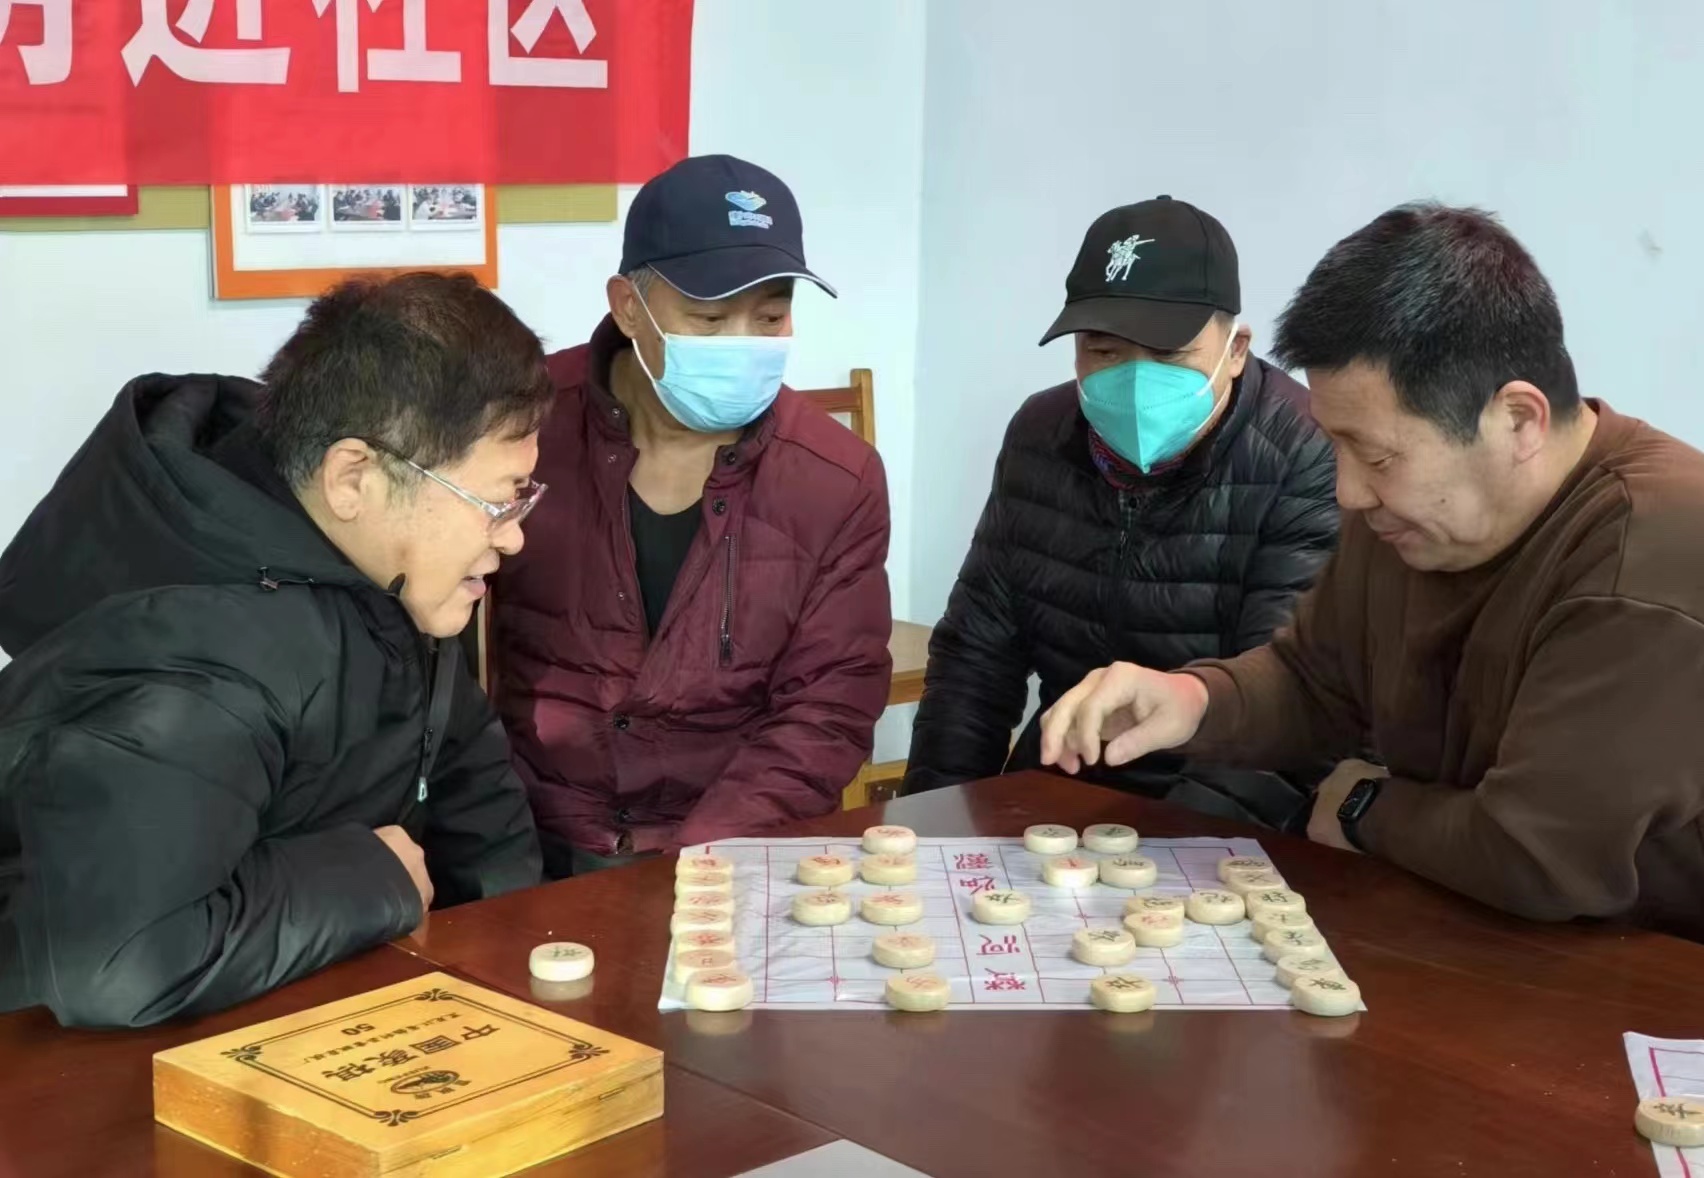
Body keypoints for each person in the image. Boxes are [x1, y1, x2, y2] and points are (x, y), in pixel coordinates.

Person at [1040, 203, 1704, 941]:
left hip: (1637, 970)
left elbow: (1538, 857)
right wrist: (1192, 699)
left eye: (1378, 455)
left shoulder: (1653, 554)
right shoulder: (1408, 517)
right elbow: (1316, 683)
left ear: (1518, 420)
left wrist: (1363, 806)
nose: (1349, 491)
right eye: (1337, 445)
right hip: (1451, 917)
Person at [0, 273, 551, 1027]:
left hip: (294, 1011)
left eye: (522, 498)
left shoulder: (381, 582)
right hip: (71, 1063)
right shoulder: (192, 650)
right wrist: (373, 876)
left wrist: (520, 967)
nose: (513, 537)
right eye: (495, 501)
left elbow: (478, 807)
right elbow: (120, 963)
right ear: (353, 478)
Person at [489, 154, 892, 875]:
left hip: (732, 848)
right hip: (527, 833)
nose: (743, 343)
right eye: (708, 319)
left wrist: (698, 864)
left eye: (770, 316)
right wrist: (488, 843)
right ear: (628, 306)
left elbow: (827, 707)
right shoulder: (521, 424)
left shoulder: (835, 478)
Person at [905, 197, 1337, 829]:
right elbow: (977, 656)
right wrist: (933, 826)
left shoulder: (1305, 451)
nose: (1135, 382)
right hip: (1061, 781)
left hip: (1226, 813)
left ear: (1236, 349)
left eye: (1168, 355)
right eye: (1104, 352)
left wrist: (1171, 862)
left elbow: (1281, 702)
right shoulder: (1041, 433)